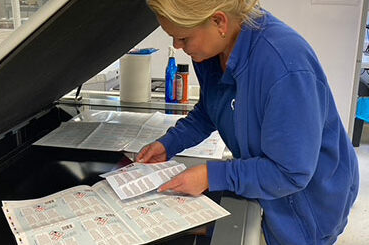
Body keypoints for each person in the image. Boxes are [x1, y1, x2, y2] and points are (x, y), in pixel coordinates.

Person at [136, 0, 359, 244]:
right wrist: (169, 143)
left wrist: (211, 175)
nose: (177, 47)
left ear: (219, 21)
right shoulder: (211, 52)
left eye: (183, 38)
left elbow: (290, 173)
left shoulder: (284, 65)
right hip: (269, 184)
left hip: (307, 203)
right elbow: (210, 109)